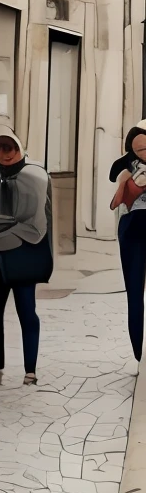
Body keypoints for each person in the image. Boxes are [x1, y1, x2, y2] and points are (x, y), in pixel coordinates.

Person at [0, 128, 50, 385]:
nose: (5, 154)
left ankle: (30, 370)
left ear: (19, 150)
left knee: (27, 311)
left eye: (10, 148)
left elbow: (36, 221)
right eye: (1, 148)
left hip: (22, 258)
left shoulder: (35, 176)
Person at [109, 123, 146, 360]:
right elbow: (114, 202)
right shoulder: (126, 170)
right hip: (133, 230)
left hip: (133, 230)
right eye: (139, 149)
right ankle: (138, 352)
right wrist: (126, 182)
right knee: (134, 292)